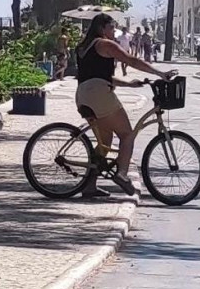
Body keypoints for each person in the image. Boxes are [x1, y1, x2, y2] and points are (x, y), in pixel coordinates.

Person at [74, 12, 175, 196]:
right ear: (101, 28)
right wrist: (160, 73)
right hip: (99, 95)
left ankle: (89, 186)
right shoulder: (105, 44)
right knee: (127, 134)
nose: (114, 31)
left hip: (83, 95)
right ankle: (122, 174)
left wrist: (129, 84)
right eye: (111, 27)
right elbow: (132, 60)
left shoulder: (85, 47)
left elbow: (101, 76)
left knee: (105, 141)